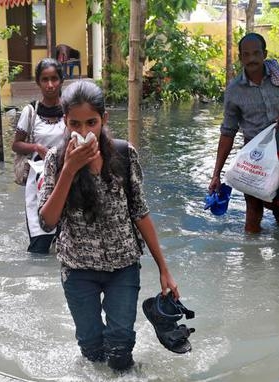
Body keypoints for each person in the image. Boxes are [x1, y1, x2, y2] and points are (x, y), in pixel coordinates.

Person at [38, 80, 180, 371]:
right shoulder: (55, 160)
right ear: (65, 122)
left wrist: (165, 269)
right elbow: (48, 220)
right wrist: (69, 169)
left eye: (91, 122)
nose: (84, 132)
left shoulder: (124, 155)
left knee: (120, 347)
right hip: (77, 269)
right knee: (91, 347)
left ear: (104, 119)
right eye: (75, 124)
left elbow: (140, 213)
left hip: (123, 266)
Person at [209, 32, 279, 234]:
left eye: (256, 53)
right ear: (240, 57)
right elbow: (228, 132)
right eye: (246, 55)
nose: (251, 59)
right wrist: (216, 174)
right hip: (255, 158)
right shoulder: (234, 90)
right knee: (253, 213)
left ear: (264, 54)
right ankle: (251, 260)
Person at [12, 58, 66, 253]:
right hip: (37, 182)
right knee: (39, 242)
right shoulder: (31, 111)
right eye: (45, 79)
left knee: (65, 240)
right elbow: (16, 145)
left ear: (61, 81)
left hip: (65, 178)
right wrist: (37, 147)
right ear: (38, 82)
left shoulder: (70, 110)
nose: (50, 85)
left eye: (54, 79)